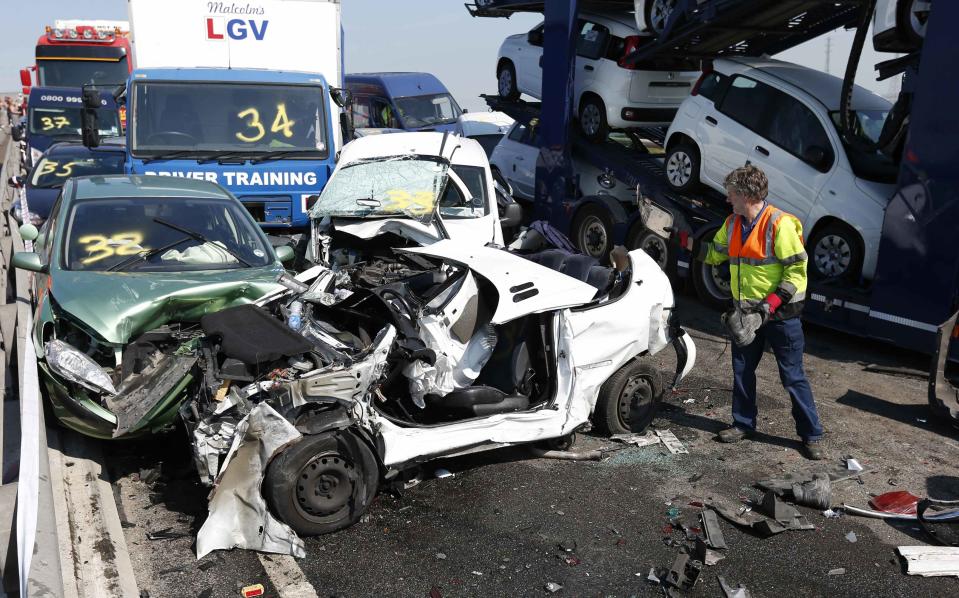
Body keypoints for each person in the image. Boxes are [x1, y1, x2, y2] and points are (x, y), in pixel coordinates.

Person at [697, 165, 825, 460]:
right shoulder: (732, 223)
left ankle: (811, 435)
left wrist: (767, 308)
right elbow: (715, 253)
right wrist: (679, 237)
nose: (727, 198)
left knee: (792, 377)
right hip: (745, 315)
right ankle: (743, 424)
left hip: (781, 316)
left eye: (731, 193)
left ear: (744, 194)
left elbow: (797, 273)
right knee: (742, 371)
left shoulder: (779, 224)